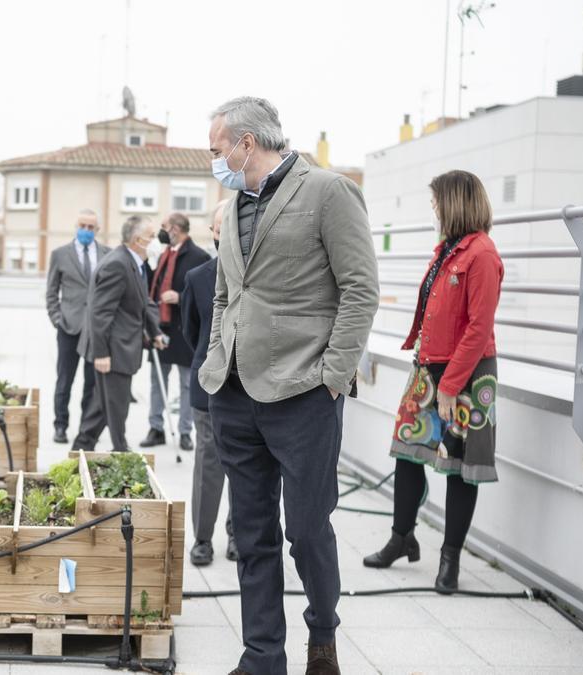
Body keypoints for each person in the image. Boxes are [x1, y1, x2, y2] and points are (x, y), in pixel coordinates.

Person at [200, 97, 379, 675]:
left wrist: (333, 376)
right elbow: (230, 292)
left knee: (306, 530)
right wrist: (214, 359)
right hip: (233, 393)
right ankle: (262, 658)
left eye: (215, 149)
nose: (214, 161)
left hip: (304, 394)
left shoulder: (329, 192)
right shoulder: (231, 208)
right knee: (252, 536)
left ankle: (322, 636)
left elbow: (360, 290)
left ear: (245, 143)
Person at [363, 170, 502, 593]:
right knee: (407, 452)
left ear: (455, 202)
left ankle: (450, 559)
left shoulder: (482, 253)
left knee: (459, 470)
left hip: (466, 375)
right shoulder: (446, 250)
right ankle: (401, 538)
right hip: (428, 369)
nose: (433, 209)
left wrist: (450, 385)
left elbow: (479, 328)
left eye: (436, 201)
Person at [72, 215, 167, 453]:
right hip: (113, 352)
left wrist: (155, 332)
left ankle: (80, 451)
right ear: (137, 240)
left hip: (122, 349)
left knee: (102, 408)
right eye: (151, 237)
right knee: (116, 408)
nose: (156, 241)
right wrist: (101, 353)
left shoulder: (134, 261)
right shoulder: (117, 263)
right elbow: (100, 312)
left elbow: (142, 302)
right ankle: (120, 451)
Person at [181, 200, 238, 566]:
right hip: (209, 388)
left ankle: (239, 534)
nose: (224, 234)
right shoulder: (198, 278)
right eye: (219, 228)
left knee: (246, 469)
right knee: (208, 464)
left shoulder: (259, 275)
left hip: (252, 388)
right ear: (213, 233)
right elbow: (191, 332)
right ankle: (203, 538)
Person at [140, 212, 211, 451]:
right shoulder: (163, 254)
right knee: (157, 381)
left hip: (184, 330)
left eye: (164, 226)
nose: (161, 231)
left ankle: (184, 432)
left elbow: (204, 294)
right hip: (160, 327)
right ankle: (156, 427)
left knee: (186, 384)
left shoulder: (198, 256)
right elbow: (154, 286)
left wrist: (180, 297)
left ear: (176, 229)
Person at [46, 209, 111, 444]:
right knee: (65, 380)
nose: (86, 230)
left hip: (95, 330)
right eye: (82, 225)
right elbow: (51, 292)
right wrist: (57, 318)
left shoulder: (107, 254)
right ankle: (60, 425)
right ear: (76, 226)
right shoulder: (60, 254)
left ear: (97, 230)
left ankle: (86, 427)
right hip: (69, 327)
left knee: (92, 382)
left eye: (91, 227)